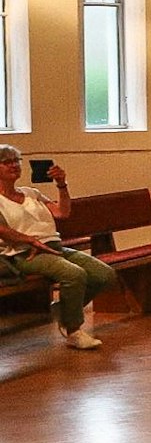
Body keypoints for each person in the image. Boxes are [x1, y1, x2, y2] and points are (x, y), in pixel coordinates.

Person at [0, 146, 115, 349]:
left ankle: (64, 310)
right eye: (7, 161)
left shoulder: (31, 193)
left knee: (104, 274)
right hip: (25, 253)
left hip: (54, 246)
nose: (14, 165)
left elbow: (62, 212)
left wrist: (62, 185)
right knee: (74, 274)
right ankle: (74, 331)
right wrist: (28, 239)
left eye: (16, 160)